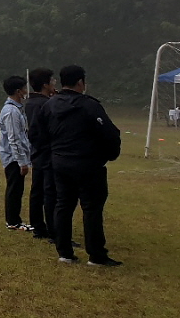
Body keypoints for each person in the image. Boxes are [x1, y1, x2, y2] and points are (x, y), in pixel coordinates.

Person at [45, 65, 123, 266]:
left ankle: (64, 252)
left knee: (63, 205)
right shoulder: (89, 106)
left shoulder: (50, 105)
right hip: (87, 164)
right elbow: (110, 134)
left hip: (60, 162)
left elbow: (38, 133)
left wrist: (53, 154)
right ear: (81, 82)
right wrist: (108, 155)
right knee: (92, 209)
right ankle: (96, 255)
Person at [23, 68, 57, 240]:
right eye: (52, 80)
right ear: (45, 84)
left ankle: (38, 226)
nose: (55, 83)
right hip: (47, 152)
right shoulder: (44, 104)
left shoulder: (31, 102)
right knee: (50, 193)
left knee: (37, 191)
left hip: (37, 153)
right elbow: (41, 131)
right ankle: (53, 231)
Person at [0, 75, 33, 231]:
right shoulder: (11, 111)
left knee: (17, 189)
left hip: (16, 156)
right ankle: (13, 221)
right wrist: (22, 162)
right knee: (14, 189)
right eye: (24, 88)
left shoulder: (17, 109)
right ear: (18, 91)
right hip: (13, 158)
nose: (26, 91)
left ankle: (14, 220)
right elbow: (14, 138)